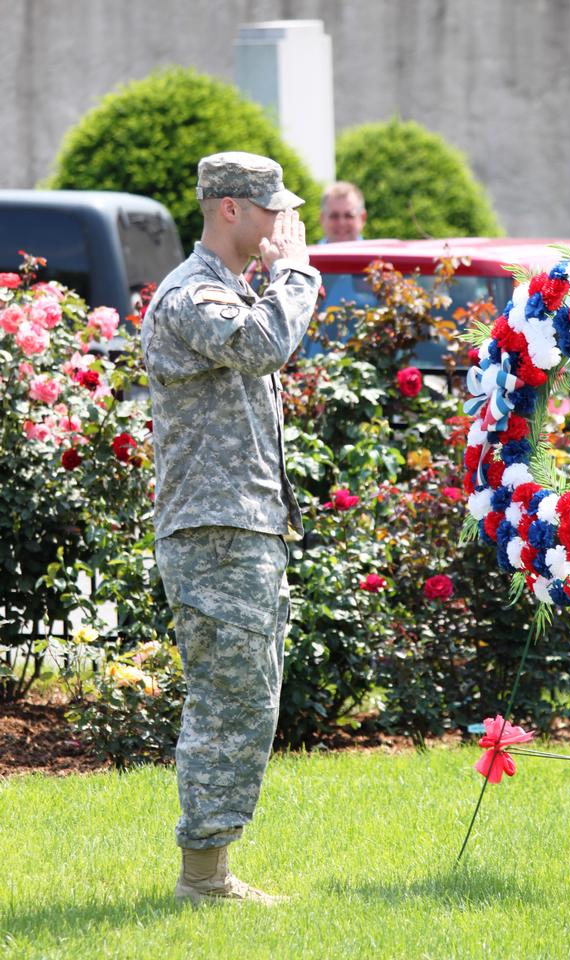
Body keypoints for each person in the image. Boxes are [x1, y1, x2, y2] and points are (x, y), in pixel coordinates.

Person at [141, 151, 320, 906]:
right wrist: (298, 272)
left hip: (240, 526)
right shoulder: (193, 297)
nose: (285, 222)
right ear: (229, 210)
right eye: (273, 208)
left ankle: (209, 875)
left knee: (247, 697)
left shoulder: (230, 292)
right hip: (213, 531)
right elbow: (264, 346)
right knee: (230, 701)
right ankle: (201, 882)